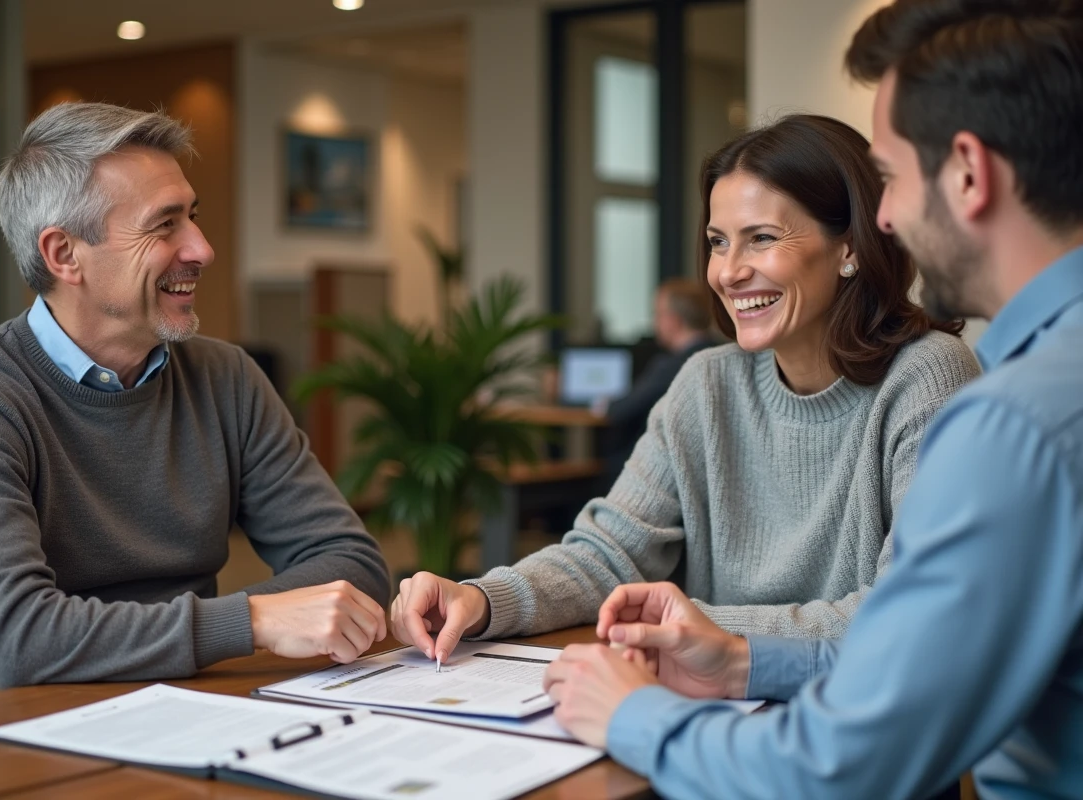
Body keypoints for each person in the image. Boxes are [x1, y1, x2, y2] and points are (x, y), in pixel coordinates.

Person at [541, 1, 1083, 797]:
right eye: (719, 242)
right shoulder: (1042, 386)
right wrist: (735, 655)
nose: (887, 215)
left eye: (891, 178)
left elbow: (849, 760)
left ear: (969, 172)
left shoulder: (1016, 420)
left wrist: (635, 715)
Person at [392, 113, 981, 661]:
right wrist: (486, 599)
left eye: (763, 238)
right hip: (714, 715)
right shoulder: (705, 382)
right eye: (719, 241)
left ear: (849, 246)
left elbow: (912, 614)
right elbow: (608, 554)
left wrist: (698, 623)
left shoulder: (927, 377)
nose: (727, 272)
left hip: (864, 738)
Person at [0, 103, 391, 700]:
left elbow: (350, 561)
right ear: (64, 254)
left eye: (192, 217)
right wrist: (251, 622)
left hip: (185, 701)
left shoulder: (227, 377)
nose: (201, 248)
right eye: (164, 225)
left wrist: (213, 635)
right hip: (6, 728)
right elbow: (20, 639)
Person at [592, 279, 718, 485]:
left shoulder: (672, 365)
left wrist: (605, 404)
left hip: (653, 475)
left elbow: (620, 411)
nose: (654, 323)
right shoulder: (725, 357)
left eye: (657, 314)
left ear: (673, 320)